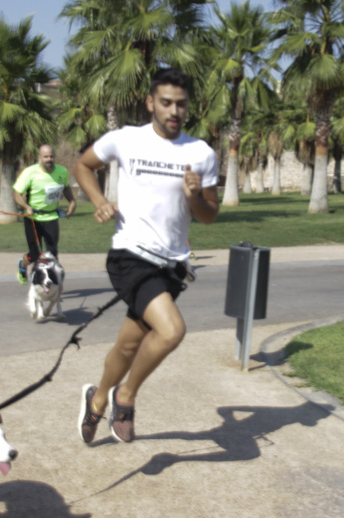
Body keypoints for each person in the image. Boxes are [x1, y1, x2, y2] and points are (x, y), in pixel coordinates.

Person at [73, 68, 220, 444]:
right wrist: (100, 201)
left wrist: (192, 196)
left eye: (181, 104)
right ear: (150, 102)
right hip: (130, 255)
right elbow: (83, 165)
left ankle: (98, 396)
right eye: (166, 102)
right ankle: (125, 397)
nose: (174, 111)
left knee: (128, 344)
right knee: (171, 331)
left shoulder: (200, 153)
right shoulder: (126, 139)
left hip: (171, 264)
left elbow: (209, 215)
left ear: (189, 107)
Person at [12, 144, 77, 284]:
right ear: (39, 157)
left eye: (52, 156)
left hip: (51, 217)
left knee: (52, 254)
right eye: (46, 157)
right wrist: (25, 206)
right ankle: (22, 266)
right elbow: (16, 194)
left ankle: (51, 282)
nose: (49, 159)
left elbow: (66, 187)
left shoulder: (62, 171)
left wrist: (72, 201)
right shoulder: (30, 172)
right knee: (35, 255)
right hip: (32, 218)